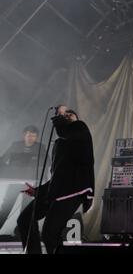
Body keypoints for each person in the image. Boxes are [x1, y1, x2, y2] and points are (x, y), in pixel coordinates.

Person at [17, 106, 95, 254]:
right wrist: (38, 191)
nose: (66, 116)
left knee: (50, 233)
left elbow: (65, 131)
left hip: (72, 190)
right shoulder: (60, 142)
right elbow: (58, 175)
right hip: (56, 189)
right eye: (64, 115)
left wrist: (60, 114)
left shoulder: (80, 128)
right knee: (25, 219)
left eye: (70, 114)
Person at [0, 126, 46, 231]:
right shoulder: (15, 145)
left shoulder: (40, 147)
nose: (30, 138)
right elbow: (3, 160)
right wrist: (8, 172)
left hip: (29, 183)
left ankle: (20, 232)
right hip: (15, 181)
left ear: (36, 137)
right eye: (28, 135)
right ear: (24, 135)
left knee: (25, 208)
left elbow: (46, 162)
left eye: (33, 136)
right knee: (6, 207)